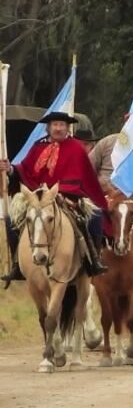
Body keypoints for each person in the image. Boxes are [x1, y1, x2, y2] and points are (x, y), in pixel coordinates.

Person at [0, 112, 111, 283]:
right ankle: (18, 264)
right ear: (49, 127)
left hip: (69, 196)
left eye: (62, 125)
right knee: (10, 221)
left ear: (67, 128)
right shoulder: (38, 147)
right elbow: (25, 170)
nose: (58, 128)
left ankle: (94, 261)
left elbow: (82, 176)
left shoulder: (76, 148)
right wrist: (10, 170)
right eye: (55, 124)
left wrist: (62, 194)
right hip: (37, 196)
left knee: (95, 216)